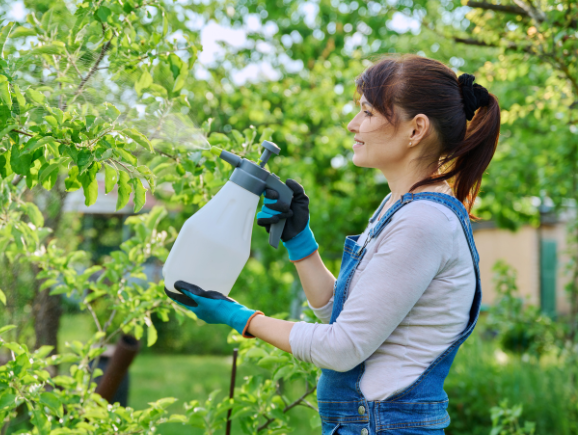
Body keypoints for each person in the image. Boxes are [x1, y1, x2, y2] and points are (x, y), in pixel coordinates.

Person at [165, 53, 501, 434]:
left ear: (416, 129)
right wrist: (300, 243)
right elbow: (344, 320)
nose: (352, 124)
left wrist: (238, 317)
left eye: (368, 113)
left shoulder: (423, 222)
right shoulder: (398, 207)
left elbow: (341, 348)